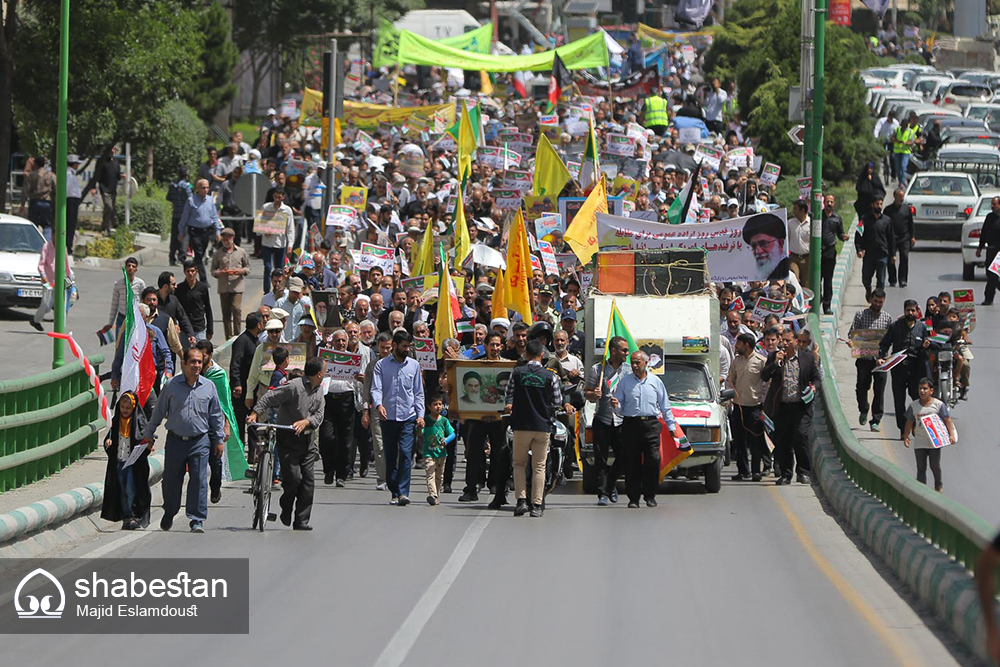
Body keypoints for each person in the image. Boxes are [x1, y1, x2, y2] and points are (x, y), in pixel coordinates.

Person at [142, 347, 226, 533]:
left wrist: (218, 439)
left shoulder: (208, 386)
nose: (196, 365)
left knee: (199, 480)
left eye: (199, 362)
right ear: (184, 364)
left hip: (200, 441)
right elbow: (158, 412)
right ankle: (170, 511)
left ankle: (196, 519)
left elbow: (215, 416)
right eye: (193, 362)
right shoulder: (171, 386)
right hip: (175, 441)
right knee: (171, 480)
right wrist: (148, 435)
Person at [248, 357, 326, 530]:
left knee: (308, 481)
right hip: (288, 438)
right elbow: (270, 397)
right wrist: (255, 413)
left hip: (308, 441)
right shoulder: (294, 386)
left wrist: (307, 422)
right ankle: (286, 505)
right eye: (325, 370)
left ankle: (301, 520)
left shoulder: (320, 390)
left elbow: (319, 415)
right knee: (293, 479)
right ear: (319, 373)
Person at [505, 339, 573, 517]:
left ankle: (521, 501)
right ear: (542, 355)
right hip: (543, 426)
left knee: (519, 464)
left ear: (526, 355)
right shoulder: (550, 376)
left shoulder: (517, 372)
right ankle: (536, 504)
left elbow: (508, 394)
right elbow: (558, 401)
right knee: (539, 466)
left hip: (521, 425)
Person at [610, 350, 675, 508]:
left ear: (646, 363)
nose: (634, 365)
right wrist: (616, 406)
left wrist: (671, 425)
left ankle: (650, 495)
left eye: (638, 362)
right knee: (632, 462)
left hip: (651, 424)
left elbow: (665, 405)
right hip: (631, 424)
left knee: (653, 460)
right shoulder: (625, 382)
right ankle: (633, 498)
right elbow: (619, 405)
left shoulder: (655, 381)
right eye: (632, 362)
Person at [371, 329, 425, 506]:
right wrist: (379, 405)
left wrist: (420, 415)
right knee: (390, 454)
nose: (407, 349)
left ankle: (403, 492)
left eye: (409, 346)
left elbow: (418, 393)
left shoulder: (414, 366)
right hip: (388, 417)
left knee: (405, 454)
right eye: (404, 346)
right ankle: (394, 490)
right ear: (394, 345)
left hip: (408, 417)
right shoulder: (381, 365)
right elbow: (376, 388)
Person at [762, 329, 821, 485]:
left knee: (801, 436)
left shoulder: (807, 358)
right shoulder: (774, 357)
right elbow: (764, 376)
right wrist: (775, 363)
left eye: (789, 341)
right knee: (784, 441)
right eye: (784, 341)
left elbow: (816, 378)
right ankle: (786, 474)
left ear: (796, 341)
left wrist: (814, 387)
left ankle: (803, 472)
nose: (785, 344)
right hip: (782, 407)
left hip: (801, 407)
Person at [458, 332, 508, 506]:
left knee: (499, 453)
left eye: (497, 345)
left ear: (501, 346)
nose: (494, 348)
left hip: (499, 418)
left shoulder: (508, 366)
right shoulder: (476, 364)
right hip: (477, 417)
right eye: (491, 345)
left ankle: (495, 485)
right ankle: (472, 488)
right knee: (473, 453)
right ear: (485, 346)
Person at [197, 339, 249, 502]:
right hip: (198, 422)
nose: (200, 360)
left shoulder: (218, 375)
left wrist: (226, 425)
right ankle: (199, 494)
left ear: (211, 355)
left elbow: (225, 403)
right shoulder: (193, 371)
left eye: (204, 356)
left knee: (215, 460)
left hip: (215, 422)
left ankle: (215, 486)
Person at [585, 336, 629, 505]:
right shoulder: (598, 369)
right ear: (614, 351)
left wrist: (621, 402)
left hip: (622, 420)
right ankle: (603, 492)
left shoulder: (628, 371)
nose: (626, 353)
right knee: (601, 458)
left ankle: (610, 483)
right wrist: (593, 394)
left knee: (624, 456)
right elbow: (587, 393)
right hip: (603, 419)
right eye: (623, 350)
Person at [100, 391, 152, 530]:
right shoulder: (116, 423)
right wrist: (108, 442)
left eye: (128, 408)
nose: (125, 410)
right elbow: (110, 441)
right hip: (119, 463)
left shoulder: (139, 422)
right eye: (123, 407)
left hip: (134, 465)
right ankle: (126, 517)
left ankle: (134, 515)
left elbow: (145, 440)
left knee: (131, 489)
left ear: (134, 408)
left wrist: (148, 444)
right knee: (122, 490)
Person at [878, 300, 929, 438]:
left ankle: (914, 425)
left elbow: (928, 346)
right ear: (904, 311)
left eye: (913, 310)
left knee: (917, 399)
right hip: (898, 368)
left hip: (915, 370)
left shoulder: (922, 328)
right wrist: (881, 357)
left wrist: (926, 345)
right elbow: (885, 344)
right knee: (899, 402)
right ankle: (902, 430)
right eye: (908, 310)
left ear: (917, 311)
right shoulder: (895, 326)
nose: (910, 313)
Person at [848, 289, 893, 432]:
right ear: (871, 300)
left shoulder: (887, 318)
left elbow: (889, 338)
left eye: (880, 302)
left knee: (879, 390)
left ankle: (876, 420)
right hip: (864, 358)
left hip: (880, 360)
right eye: (875, 301)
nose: (877, 304)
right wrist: (853, 341)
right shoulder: (861, 315)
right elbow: (852, 332)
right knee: (862, 387)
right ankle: (863, 408)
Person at [319, 328, 358, 487]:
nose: (341, 344)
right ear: (332, 343)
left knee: (345, 439)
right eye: (338, 341)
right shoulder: (325, 358)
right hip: (328, 399)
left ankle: (342, 474)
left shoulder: (353, 359)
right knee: (327, 437)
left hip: (346, 399)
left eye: (343, 341)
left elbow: (360, 379)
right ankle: (328, 470)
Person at [903, 377, 955, 492]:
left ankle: (938, 485)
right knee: (921, 468)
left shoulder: (938, 405)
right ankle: (922, 491)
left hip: (934, 443)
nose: (922, 391)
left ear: (931, 391)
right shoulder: (914, 406)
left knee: (934, 466)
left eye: (925, 389)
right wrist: (906, 436)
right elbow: (909, 422)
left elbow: (947, 420)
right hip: (920, 442)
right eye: (920, 388)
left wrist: (951, 435)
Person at [728, 333, 767, 481]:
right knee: (739, 441)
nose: (736, 347)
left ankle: (756, 470)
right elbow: (730, 379)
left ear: (747, 345)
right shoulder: (736, 361)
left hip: (755, 407)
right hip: (739, 407)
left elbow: (766, 383)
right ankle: (743, 471)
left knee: (755, 440)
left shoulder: (761, 361)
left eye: (739, 344)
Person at [230, 312, 263, 458]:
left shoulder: (256, 341)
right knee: (240, 420)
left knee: (252, 420)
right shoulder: (242, 341)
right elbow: (235, 364)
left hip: (253, 388)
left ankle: (253, 453)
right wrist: (236, 384)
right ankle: (238, 453)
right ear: (258, 325)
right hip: (242, 388)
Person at [178, 179, 223, 283]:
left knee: (200, 256)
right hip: (194, 231)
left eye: (207, 187)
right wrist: (181, 232)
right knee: (198, 254)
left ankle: (190, 272)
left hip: (206, 231)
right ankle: (203, 280)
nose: (206, 190)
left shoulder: (211, 200)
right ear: (198, 189)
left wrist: (217, 231)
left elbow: (214, 216)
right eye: (203, 188)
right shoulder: (191, 200)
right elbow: (184, 217)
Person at [211, 227, 251, 340]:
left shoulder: (241, 252)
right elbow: (213, 270)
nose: (226, 241)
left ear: (233, 239)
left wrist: (240, 271)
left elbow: (248, 268)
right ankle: (228, 338)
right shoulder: (218, 254)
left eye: (228, 239)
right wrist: (220, 273)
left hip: (237, 286)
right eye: (224, 239)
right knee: (226, 312)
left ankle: (237, 335)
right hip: (224, 287)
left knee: (236, 309)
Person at [29, 237, 74, 332]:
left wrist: (70, 279)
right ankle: (35, 321)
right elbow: (41, 265)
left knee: (62, 305)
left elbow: (66, 264)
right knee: (45, 305)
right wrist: (43, 276)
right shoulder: (46, 246)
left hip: (61, 281)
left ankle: (60, 328)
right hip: (48, 281)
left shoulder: (63, 247)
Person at [857, 196, 895, 302]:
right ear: (872, 205)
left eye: (880, 204)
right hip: (869, 254)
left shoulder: (887, 221)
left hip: (882, 254)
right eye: (877, 204)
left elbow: (891, 238)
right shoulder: (864, 219)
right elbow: (858, 234)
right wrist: (859, 249)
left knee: (881, 281)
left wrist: (893, 254)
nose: (879, 206)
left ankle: (877, 300)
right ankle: (868, 291)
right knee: (866, 279)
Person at [420, 394, 455, 506]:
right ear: (429, 407)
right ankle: (432, 495)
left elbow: (453, 433)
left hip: (441, 453)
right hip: (429, 452)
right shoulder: (426, 420)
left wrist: (446, 440)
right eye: (435, 404)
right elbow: (421, 433)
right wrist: (419, 428)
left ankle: (436, 494)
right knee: (430, 473)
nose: (438, 407)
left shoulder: (444, 421)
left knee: (439, 476)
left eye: (440, 404)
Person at [260, 187, 297, 291]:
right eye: (275, 197)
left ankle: (279, 290)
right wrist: (264, 230)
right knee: (267, 267)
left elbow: (290, 228)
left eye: (279, 197)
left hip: (280, 244)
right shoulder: (266, 207)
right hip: (267, 243)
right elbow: (259, 224)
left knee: (279, 269)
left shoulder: (287, 210)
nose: (277, 199)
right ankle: (266, 291)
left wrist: (290, 245)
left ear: (283, 197)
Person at [820, 193, 848, 314]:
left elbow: (840, 234)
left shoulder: (837, 218)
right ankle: (816, 301)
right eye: (827, 201)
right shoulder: (818, 216)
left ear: (834, 203)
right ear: (824, 202)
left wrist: (844, 237)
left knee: (828, 280)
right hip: (818, 252)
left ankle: (827, 305)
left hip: (830, 252)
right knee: (816, 280)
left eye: (831, 202)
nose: (829, 204)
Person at [742, 213, 789, 281]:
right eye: (753, 246)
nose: (758, 251)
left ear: (780, 243)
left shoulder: (787, 275)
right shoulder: (755, 275)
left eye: (763, 243)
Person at [175, 260, 214, 342]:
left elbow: (208, 308)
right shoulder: (179, 289)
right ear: (184, 272)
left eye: (192, 271)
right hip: (184, 328)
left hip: (199, 327)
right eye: (188, 271)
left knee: (201, 352)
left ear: (196, 271)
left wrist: (210, 329)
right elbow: (176, 309)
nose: (190, 274)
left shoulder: (202, 288)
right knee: (187, 353)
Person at [884, 188, 915, 288]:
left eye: (902, 196)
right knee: (890, 259)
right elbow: (884, 224)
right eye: (899, 196)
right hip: (891, 238)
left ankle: (903, 280)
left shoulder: (906, 209)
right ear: (895, 196)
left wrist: (912, 236)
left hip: (904, 237)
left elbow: (911, 224)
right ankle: (892, 279)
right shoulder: (888, 210)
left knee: (904, 257)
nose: (901, 199)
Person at [977, 195, 1000, 306]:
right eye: (991, 204)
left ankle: (988, 298)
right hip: (991, 250)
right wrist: (980, 247)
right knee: (990, 274)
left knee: (994, 275)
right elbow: (984, 233)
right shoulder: (990, 217)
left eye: (994, 204)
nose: (992, 206)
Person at [166, 168, 192, 266]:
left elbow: (168, 198)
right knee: (184, 236)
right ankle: (181, 257)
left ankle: (172, 257)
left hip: (175, 214)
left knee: (174, 236)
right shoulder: (186, 186)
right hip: (184, 215)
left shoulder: (172, 185)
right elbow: (190, 200)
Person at [96, 147, 121, 235]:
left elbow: (118, 176)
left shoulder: (116, 162)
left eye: (113, 151)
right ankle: (107, 227)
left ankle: (107, 227)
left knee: (111, 210)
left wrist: (123, 176)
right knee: (108, 206)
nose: (112, 153)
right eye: (110, 151)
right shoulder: (102, 162)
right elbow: (97, 176)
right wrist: (93, 188)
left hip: (113, 189)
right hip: (104, 189)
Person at [892, 112, 919, 187]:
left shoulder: (910, 132)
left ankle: (902, 182)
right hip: (897, 151)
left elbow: (912, 142)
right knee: (898, 168)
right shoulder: (897, 130)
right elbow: (892, 138)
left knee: (903, 167)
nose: (904, 128)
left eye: (905, 126)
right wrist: (897, 141)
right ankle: (900, 180)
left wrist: (905, 143)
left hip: (905, 152)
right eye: (903, 126)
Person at [65, 154, 82, 252]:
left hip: (73, 201)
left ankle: (69, 244)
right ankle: (68, 245)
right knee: (70, 224)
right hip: (70, 201)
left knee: (72, 224)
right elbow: (67, 188)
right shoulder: (69, 174)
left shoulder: (72, 173)